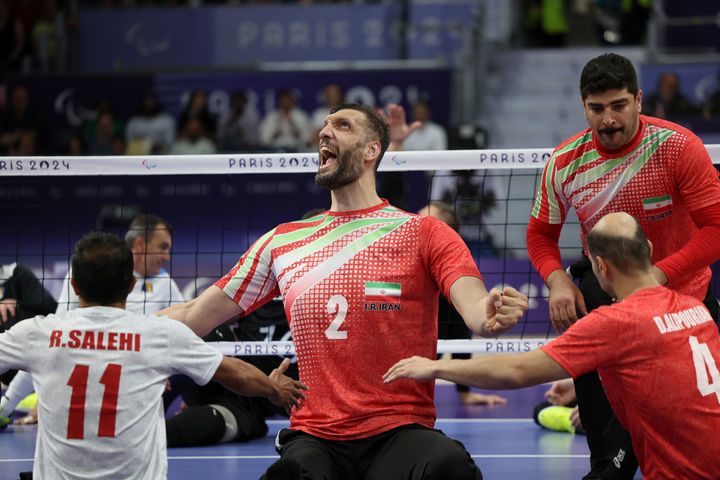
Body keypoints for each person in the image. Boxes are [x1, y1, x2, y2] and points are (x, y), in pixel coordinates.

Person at [159, 103, 529, 480]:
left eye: (342, 125)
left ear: (371, 150)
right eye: (323, 125)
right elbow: (195, 315)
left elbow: (476, 309)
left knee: (449, 466)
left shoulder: (424, 233)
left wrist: (492, 311)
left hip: (398, 431)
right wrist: (107, 321)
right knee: (289, 475)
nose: (324, 131)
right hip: (317, 436)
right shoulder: (283, 241)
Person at [385, 212, 720, 480]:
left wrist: (436, 366)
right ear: (648, 249)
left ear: (600, 266)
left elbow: (516, 372)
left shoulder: (617, 322)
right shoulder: (695, 308)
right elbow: (665, 373)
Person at [526, 52, 720, 479]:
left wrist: (659, 277)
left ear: (639, 99)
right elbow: (540, 235)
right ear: (584, 107)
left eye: (618, 106)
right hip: (609, 297)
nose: (608, 119)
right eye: (597, 109)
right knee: (605, 425)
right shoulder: (564, 163)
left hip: (685, 297)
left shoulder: (677, 146)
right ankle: (604, 467)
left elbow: (716, 227)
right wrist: (557, 281)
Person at [0, 231, 307, 479]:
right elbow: (234, 373)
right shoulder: (158, 334)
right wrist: (274, 389)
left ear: (74, 285)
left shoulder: (38, 332)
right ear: (132, 284)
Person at [1, 214, 185, 423]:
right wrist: (45, 398)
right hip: (88, 367)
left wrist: (164, 366)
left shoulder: (164, 282)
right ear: (141, 244)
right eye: (163, 247)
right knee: (44, 343)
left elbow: (183, 330)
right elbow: (52, 342)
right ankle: (6, 407)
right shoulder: (88, 272)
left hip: (142, 372)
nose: (167, 256)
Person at [418, 201, 506, 406]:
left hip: (423, 355)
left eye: (424, 217)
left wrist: (465, 392)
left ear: (441, 229)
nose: (416, 219)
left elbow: (460, 337)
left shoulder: (453, 274)